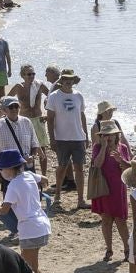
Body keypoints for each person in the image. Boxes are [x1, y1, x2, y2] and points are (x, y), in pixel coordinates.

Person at [0, 150, 56, 273]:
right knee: (30, 265)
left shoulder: (13, 185)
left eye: (2, 169)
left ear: (10, 168)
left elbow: (4, 210)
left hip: (30, 228)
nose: (1, 172)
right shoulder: (28, 175)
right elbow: (44, 179)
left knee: (28, 268)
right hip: (41, 224)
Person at [89, 120, 132, 263]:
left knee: (121, 220)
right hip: (103, 187)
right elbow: (97, 164)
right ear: (101, 136)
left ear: (116, 135)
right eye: (105, 135)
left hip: (118, 187)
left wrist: (120, 160)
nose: (109, 137)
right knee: (106, 219)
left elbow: (128, 168)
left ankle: (127, 249)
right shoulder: (97, 147)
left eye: (111, 134)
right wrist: (103, 148)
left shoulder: (123, 148)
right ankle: (109, 249)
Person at [46, 72, 89, 206]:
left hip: (78, 138)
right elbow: (50, 119)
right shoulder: (54, 96)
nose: (68, 81)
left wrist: (86, 135)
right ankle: (57, 195)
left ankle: (81, 200)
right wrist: (52, 139)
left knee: (79, 168)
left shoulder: (78, 95)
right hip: (61, 139)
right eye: (65, 79)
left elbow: (82, 116)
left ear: (73, 81)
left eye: (71, 79)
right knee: (62, 167)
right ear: (61, 80)